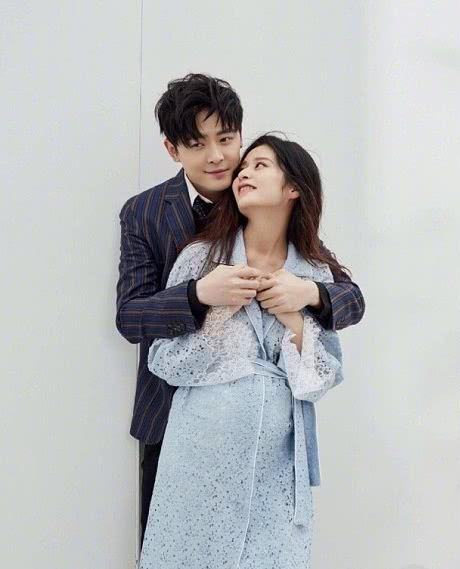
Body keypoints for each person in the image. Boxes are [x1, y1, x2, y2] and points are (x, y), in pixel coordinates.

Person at [115, 74, 365, 544]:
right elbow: (130, 317)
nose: (218, 157)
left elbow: (350, 297)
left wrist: (308, 294)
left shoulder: (259, 192)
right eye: (197, 144)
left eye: (227, 140)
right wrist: (198, 295)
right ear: (172, 149)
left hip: (271, 435)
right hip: (172, 415)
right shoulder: (145, 213)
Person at [138, 134, 346, 568]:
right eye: (244, 166)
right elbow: (162, 361)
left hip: (277, 464)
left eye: (260, 165)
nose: (243, 172)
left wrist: (295, 318)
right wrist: (217, 309)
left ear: (294, 188)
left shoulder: (314, 274)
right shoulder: (201, 259)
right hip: (199, 457)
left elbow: (323, 378)